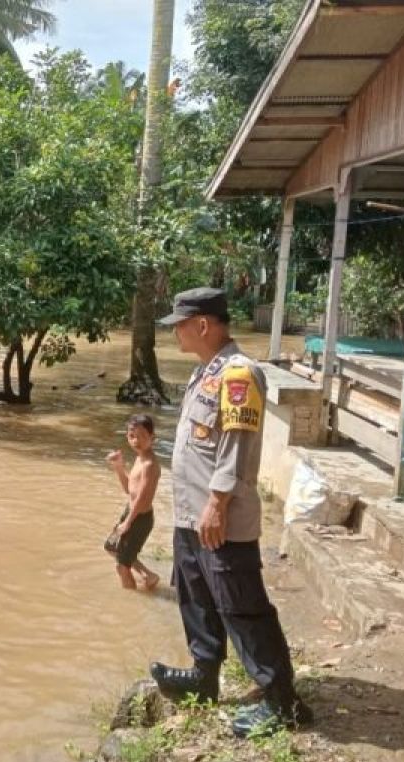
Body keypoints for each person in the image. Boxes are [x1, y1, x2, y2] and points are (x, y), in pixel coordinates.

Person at [149, 287, 312, 738]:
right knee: (195, 595)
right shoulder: (205, 372)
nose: (175, 333)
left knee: (240, 605)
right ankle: (205, 676)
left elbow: (235, 450)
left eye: (179, 325)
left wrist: (217, 504)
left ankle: (283, 702)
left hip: (219, 516)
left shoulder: (239, 373)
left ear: (202, 325)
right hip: (190, 515)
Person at [104, 414, 162, 591]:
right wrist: (119, 467)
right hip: (131, 512)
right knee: (111, 547)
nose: (136, 440)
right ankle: (148, 576)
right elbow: (129, 490)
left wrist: (128, 522)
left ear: (152, 438)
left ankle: (131, 601)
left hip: (139, 518)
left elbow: (143, 497)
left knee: (122, 566)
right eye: (132, 436)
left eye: (142, 436)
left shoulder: (149, 464)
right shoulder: (140, 457)